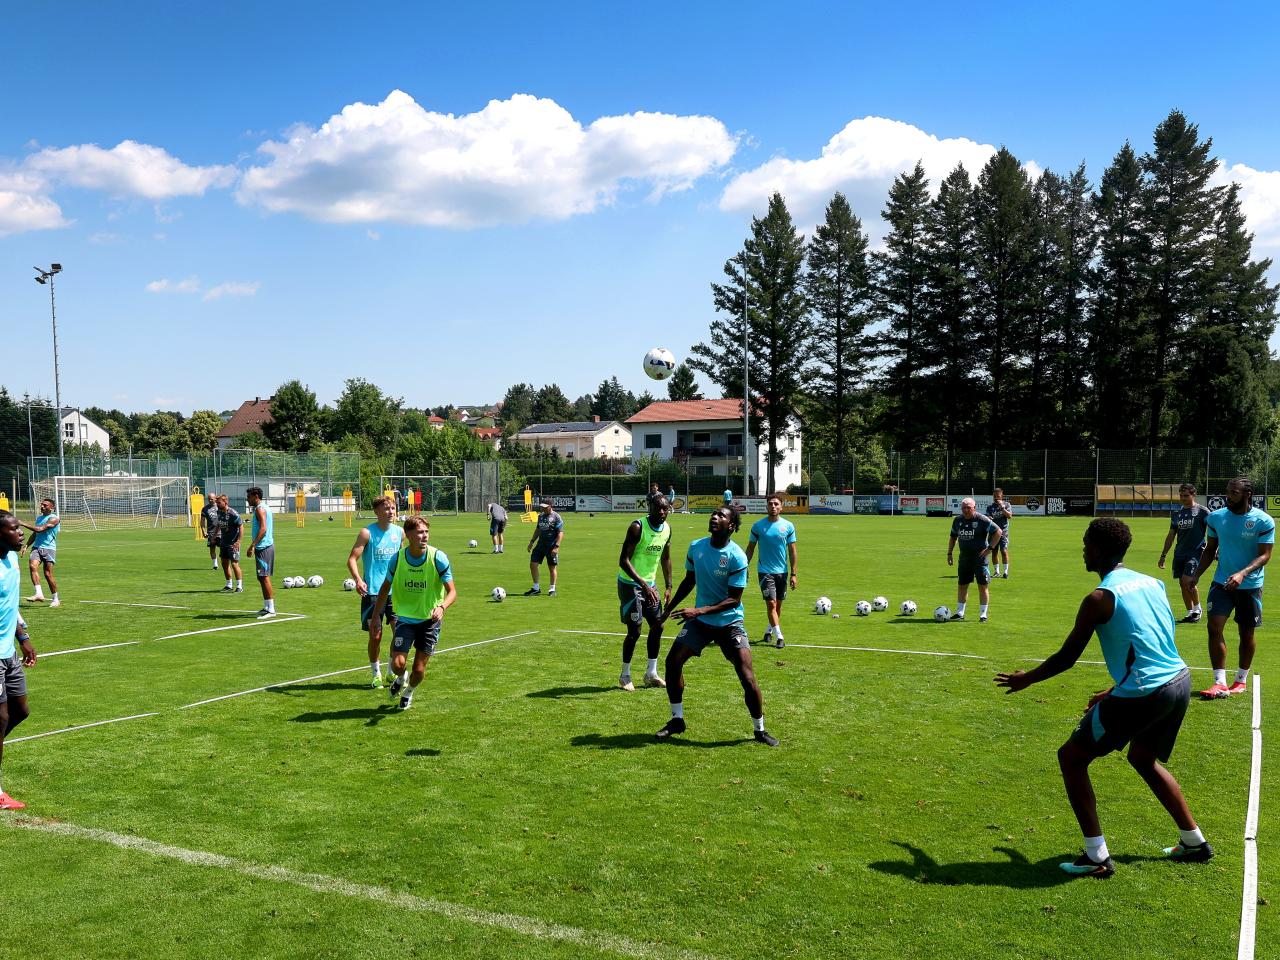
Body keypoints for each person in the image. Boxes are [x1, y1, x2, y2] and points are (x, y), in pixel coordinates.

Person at [995, 518, 1212, 878]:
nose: (1083, 549)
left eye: (1085, 543)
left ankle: (1096, 856)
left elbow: (1067, 658)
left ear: (1096, 549)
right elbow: (1157, 644)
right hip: (1178, 680)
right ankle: (1194, 841)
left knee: (1071, 757)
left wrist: (1026, 679)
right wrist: (1115, 690)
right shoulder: (1152, 583)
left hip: (1145, 692)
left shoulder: (1099, 598)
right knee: (1143, 758)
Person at [656, 505, 778, 747]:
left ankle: (759, 729)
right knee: (672, 662)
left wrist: (697, 610)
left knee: (747, 676)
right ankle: (677, 720)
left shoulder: (737, 556)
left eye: (721, 515)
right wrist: (669, 608)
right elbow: (689, 581)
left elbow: (734, 599)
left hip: (729, 622)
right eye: (714, 513)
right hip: (701, 622)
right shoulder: (696, 547)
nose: (714, 517)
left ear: (731, 526)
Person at [1189, 476, 1274, 699]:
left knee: (1246, 633)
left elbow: (1265, 555)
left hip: (1250, 586)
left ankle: (1241, 680)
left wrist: (1242, 573)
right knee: (1214, 626)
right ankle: (1219, 682)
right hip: (1221, 583)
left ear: (1247, 495)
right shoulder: (1216, 518)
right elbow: (1210, 550)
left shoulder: (1263, 521)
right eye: (1227, 491)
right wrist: (1196, 574)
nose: (1228, 496)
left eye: (1234, 493)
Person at [372, 515, 456, 711]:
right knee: (397, 664)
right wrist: (376, 615)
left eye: (426, 532)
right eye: (419, 532)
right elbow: (385, 588)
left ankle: (408, 691)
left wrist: (442, 607)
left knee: (419, 669)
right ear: (408, 534)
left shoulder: (438, 558)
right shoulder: (398, 558)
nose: (424, 536)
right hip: (406, 620)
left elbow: (452, 592)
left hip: (430, 622)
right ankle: (401, 679)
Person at [346, 495, 404, 688]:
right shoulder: (366, 533)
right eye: (386, 509)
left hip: (395, 593)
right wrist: (358, 580)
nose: (391, 512)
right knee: (375, 635)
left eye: (393, 508)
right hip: (372, 593)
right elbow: (352, 559)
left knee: (400, 634)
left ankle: (390, 672)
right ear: (377, 512)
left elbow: (402, 560)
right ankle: (376, 673)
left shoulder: (400, 533)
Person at [616, 495, 673, 691]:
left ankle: (651, 673)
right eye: (658, 508)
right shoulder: (637, 527)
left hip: (650, 585)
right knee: (635, 631)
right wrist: (643, 584)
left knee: (658, 626)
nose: (662, 512)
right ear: (650, 507)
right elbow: (623, 560)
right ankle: (625, 675)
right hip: (630, 584)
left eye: (665, 509)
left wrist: (668, 586)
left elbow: (666, 558)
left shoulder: (667, 529)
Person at [0, 512, 37, 810]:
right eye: (14, 529)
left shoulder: (12, 560)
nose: (21, 532)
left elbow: (10, 605)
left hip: (9, 653)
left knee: (20, 711)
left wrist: (23, 638)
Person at [745, 493, 798, 648]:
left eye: (776, 504)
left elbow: (793, 551)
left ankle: (769, 631)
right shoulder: (758, 526)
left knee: (778, 606)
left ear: (781, 507)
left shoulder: (788, 526)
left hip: (782, 571)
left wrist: (794, 574)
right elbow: (750, 548)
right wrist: (744, 567)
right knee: (771, 604)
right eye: (770, 504)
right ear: (767, 506)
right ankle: (780, 637)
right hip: (765, 571)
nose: (773, 506)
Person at [1158, 483, 1210, 623]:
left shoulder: (1203, 511)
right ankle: (1190, 612)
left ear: (1194, 495)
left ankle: (1198, 609)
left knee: (1188, 580)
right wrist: (1163, 555)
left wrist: (1215, 549)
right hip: (1179, 552)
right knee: (1182, 583)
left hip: (1196, 552)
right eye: (1181, 495)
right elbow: (1171, 536)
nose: (1183, 498)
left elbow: (1213, 531)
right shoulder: (1177, 514)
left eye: (1186, 495)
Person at [947, 498, 1002, 621]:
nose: (966, 510)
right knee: (962, 585)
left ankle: (983, 614)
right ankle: (960, 613)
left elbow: (998, 531)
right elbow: (953, 537)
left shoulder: (982, 520)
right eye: (964, 508)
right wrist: (949, 553)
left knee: (982, 586)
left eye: (969, 508)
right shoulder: (957, 520)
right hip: (964, 559)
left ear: (974, 508)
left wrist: (990, 548)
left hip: (980, 560)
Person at [20, 498, 60, 607]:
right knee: (32, 567)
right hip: (36, 547)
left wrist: (22, 523)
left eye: (45, 505)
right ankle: (39, 593)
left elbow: (40, 529)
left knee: (47, 574)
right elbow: (35, 533)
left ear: (52, 508)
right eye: (41, 505)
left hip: (49, 548)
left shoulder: (54, 519)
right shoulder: (39, 518)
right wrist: (27, 545)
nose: (42, 506)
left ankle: (56, 599)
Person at [245, 487, 277, 619]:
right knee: (261, 577)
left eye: (249, 497)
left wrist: (252, 545)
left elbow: (263, 528)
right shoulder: (263, 507)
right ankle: (266, 607)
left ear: (255, 496)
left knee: (264, 577)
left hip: (264, 547)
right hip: (263, 547)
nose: (247, 499)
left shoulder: (260, 509)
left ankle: (271, 610)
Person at [525, 500, 563, 596]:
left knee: (552, 568)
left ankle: (552, 589)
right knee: (533, 564)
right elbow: (538, 530)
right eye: (542, 506)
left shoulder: (556, 517)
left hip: (551, 546)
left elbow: (560, 533)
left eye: (545, 506)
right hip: (540, 545)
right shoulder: (540, 516)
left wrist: (556, 546)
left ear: (550, 506)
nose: (543, 508)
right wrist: (532, 542)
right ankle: (536, 588)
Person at [216, 495, 244, 593]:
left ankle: (239, 586)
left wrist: (238, 541)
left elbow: (241, 526)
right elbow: (219, 524)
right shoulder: (218, 512)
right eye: (217, 503)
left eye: (219, 503)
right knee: (224, 563)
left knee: (234, 564)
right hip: (223, 542)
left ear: (225, 502)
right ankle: (229, 585)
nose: (217, 504)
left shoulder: (233, 514)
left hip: (233, 543)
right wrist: (215, 535)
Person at [986, 488, 1012, 578]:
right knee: (994, 552)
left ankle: (1005, 572)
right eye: (994, 496)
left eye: (998, 496)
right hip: (993, 532)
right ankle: (996, 571)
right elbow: (987, 517)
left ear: (1002, 495)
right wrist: (989, 517)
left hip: (1003, 532)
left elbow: (1009, 516)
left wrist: (1002, 508)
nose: (996, 498)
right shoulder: (990, 507)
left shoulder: (1007, 504)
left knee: (1004, 551)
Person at [200, 491, 221, 570]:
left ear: (215, 499)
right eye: (209, 499)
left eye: (212, 499)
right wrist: (203, 531)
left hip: (221, 532)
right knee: (212, 548)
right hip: (211, 533)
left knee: (223, 548)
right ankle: (215, 564)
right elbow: (202, 522)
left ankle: (225, 562)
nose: (210, 501)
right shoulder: (205, 509)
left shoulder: (220, 506)